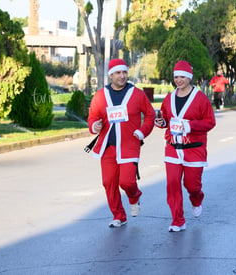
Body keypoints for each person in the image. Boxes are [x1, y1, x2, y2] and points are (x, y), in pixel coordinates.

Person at [87, 58, 156, 228]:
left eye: (124, 72)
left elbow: (150, 115)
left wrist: (142, 131)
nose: (122, 76)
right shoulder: (100, 95)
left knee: (127, 182)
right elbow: (93, 117)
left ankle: (134, 196)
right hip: (107, 147)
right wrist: (94, 125)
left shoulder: (137, 94)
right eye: (118, 73)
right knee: (109, 182)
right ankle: (119, 215)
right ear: (111, 75)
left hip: (129, 145)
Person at [155, 60, 216, 232]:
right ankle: (178, 220)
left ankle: (196, 199)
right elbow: (165, 119)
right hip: (173, 148)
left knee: (192, 185)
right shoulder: (169, 98)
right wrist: (160, 122)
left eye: (182, 76)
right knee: (173, 184)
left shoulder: (201, 98)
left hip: (194, 149)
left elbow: (210, 122)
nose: (179, 80)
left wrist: (190, 126)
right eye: (176, 77)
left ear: (189, 77)